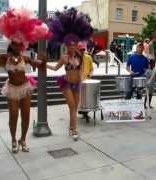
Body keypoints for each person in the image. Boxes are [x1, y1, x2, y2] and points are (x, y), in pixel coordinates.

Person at [0, 8, 50, 153]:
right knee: (13, 115)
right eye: (15, 44)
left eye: (19, 44)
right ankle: (13, 140)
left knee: (26, 116)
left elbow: (40, 66)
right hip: (12, 89)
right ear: (11, 44)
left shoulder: (25, 58)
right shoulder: (6, 58)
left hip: (25, 88)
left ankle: (23, 140)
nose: (17, 46)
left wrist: (43, 59)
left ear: (23, 44)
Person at [47, 8, 93, 141]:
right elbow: (55, 68)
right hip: (66, 83)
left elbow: (83, 67)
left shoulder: (81, 55)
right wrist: (45, 64)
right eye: (70, 45)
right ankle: (74, 130)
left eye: (74, 45)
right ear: (67, 46)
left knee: (74, 108)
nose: (72, 47)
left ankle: (71, 127)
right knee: (72, 107)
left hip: (77, 84)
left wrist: (83, 76)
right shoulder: (64, 57)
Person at [78, 42, 94, 121]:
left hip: (87, 81)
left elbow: (92, 69)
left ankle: (85, 113)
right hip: (78, 82)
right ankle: (82, 111)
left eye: (83, 49)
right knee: (80, 98)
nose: (82, 51)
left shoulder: (88, 57)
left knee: (87, 98)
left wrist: (90, 74)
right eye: (80, 49)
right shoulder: (76, 58)